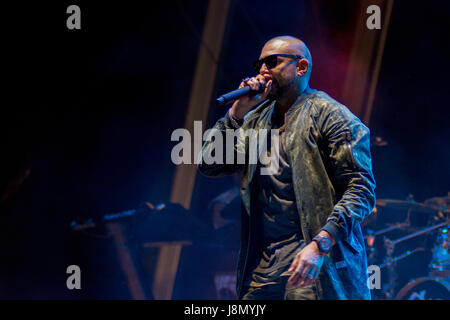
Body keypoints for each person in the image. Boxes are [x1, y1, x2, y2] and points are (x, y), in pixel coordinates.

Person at [198, 35, 376, 300]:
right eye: (259, 64)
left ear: (301, 67)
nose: (262, 71)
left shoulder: (331, 115)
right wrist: (236, 114)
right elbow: (210, 164)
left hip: (313, 267)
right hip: (262, 270)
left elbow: (361, 189)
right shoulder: (256, 119)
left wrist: (320, 244)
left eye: (272, 62)